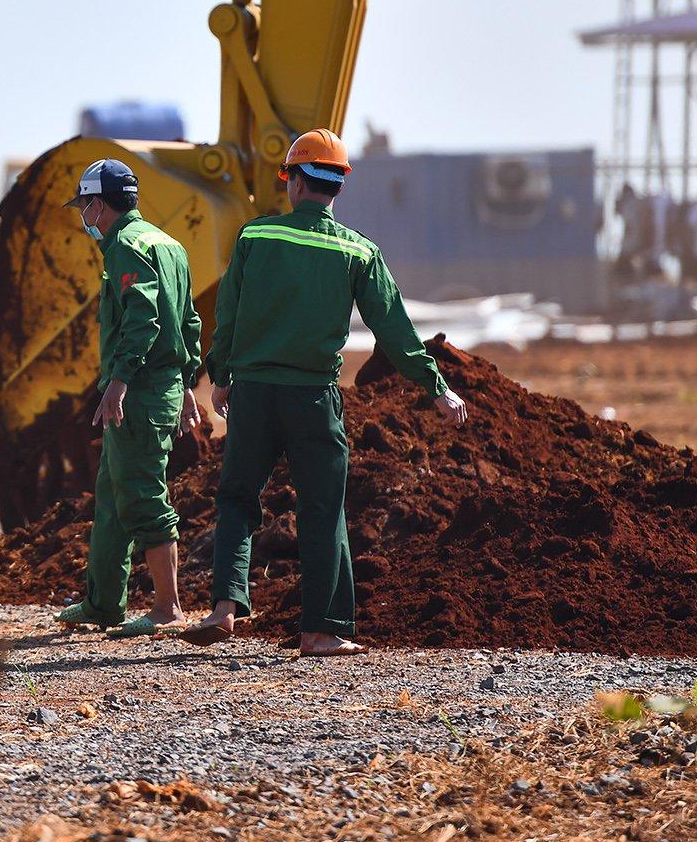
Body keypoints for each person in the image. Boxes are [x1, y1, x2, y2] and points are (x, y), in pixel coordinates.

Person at [186, 129, 469, 657]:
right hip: (313, 399)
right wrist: (436, 386)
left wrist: (220, 375)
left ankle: (225, 607)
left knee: (237, 497)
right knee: (322, 509)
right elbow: (395, 329)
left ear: (293, 182)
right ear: (338, 186)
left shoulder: (255, 237)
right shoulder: (358, 251)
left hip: (254, 393)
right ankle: (320, 632)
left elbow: (228, 316)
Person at [54, 159, 201, 639]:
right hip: (159, 386)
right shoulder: (170, 244)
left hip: (138, 393)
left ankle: (167, 608)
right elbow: (190, 323)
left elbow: (144, 318)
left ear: (98, 203)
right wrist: (187, 385)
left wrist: (118, 382)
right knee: (114, 497)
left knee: (140, 497)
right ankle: (102, 603)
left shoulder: (125, 247)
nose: (84, 216)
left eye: (85, 206)